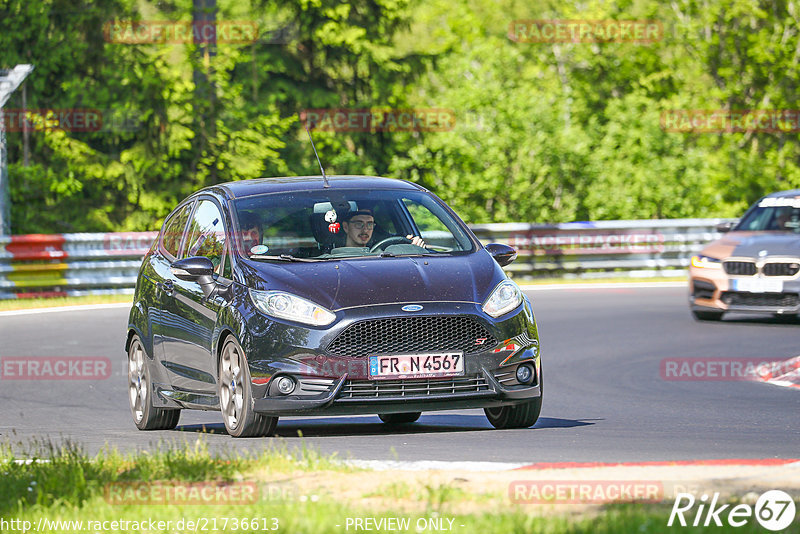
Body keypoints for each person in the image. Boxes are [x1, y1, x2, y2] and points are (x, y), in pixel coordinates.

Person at [341, 210, 426, 249]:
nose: (365, 230)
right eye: (359, 224)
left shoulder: (384, 255)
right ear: (346, 227)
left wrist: (411, 247)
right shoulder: (332, 258)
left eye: (370, 224)